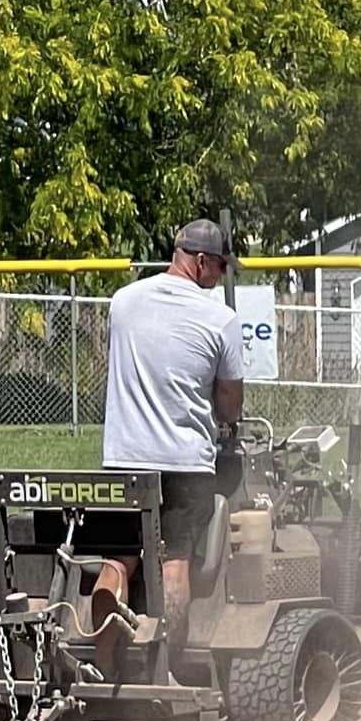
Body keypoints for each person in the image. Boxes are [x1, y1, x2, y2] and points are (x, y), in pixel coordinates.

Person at [101, 219, 246, 666]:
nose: (220, 275)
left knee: (119, 558)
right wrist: (222, 416)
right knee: (175, 559)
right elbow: (230, 406)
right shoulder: (221, 319)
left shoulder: (123, 301)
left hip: (125, 457)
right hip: (185, 463)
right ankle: (166, 661)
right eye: (220, 266)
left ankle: (102, 658)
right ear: (201, 262)